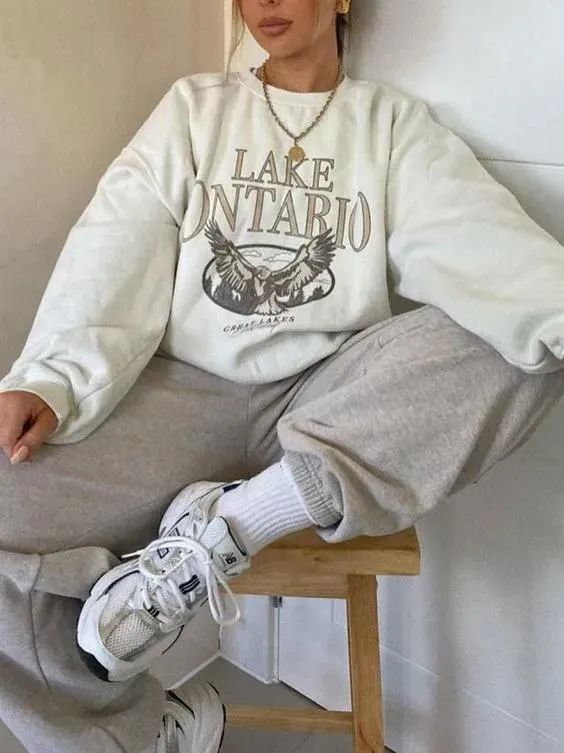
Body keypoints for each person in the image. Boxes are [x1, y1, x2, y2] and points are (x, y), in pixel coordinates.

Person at [1, 0, 564, 751]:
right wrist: (51, 375)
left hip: (326, 398)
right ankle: (131, 734)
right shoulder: (195, 108)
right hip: (184, 393)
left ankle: (233, 525)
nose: (265, 1)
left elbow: (482, 248)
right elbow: (117, 238)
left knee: (518, 339)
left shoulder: (388, 125)